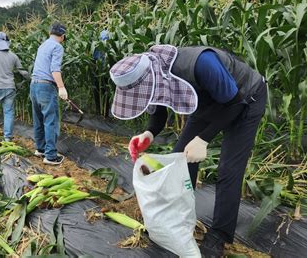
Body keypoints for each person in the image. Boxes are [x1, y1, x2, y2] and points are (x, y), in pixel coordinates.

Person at [109, 45, 267, 256]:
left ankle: (220, 234)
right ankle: (178, 213)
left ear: (153, 77)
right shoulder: (154, 71)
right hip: (206, 101)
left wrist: (203, 139)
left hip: (245, 99)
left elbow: (234, 102)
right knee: (180, 157)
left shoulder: (202, 64)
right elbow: (158, 110)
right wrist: (148, 133)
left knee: (229, 170)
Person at [30, 22, 68, 165]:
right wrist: (61, 87)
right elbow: (55, 69)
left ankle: (40, 149)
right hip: (46, 86)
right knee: (50, 121)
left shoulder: (43, 45)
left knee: (38, 119)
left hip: (34, 85)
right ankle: (51, 156)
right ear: (63, 35)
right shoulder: (57, 46)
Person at [92, 29, 111, 116]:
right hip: (101, 73)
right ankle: (102, 112)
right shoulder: (98, 47)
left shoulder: (100, 46)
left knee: (102, 93)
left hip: (102, 73)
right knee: (103, 93)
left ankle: (102, 112)